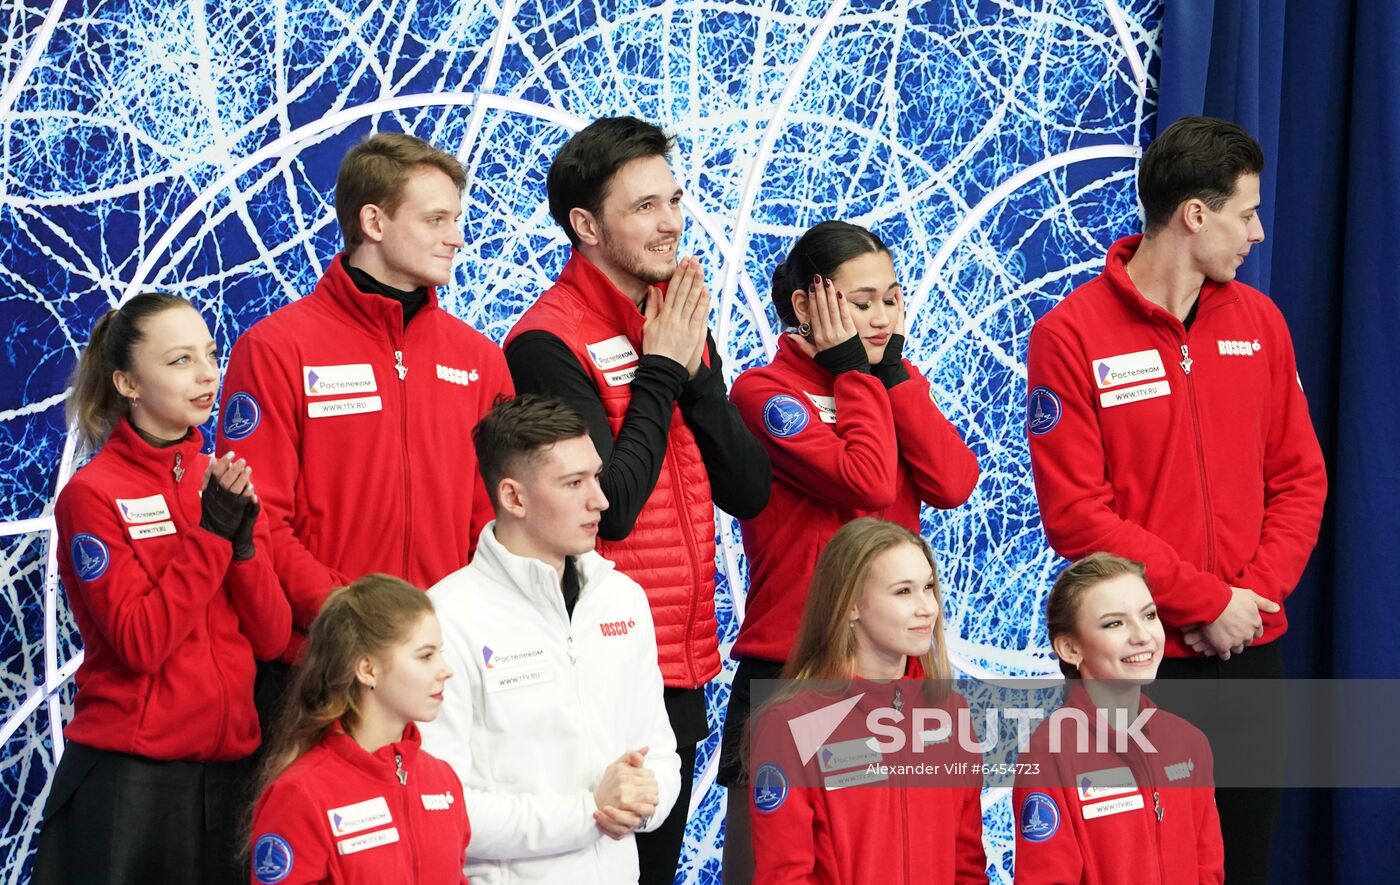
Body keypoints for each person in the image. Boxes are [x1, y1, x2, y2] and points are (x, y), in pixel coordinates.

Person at [1025, 115, 1326, 882]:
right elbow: (1076, 514)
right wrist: (1203, 601)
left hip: (1252, 648)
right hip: (1139, 662)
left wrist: (1250, 599)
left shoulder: (1261, 323)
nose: (1257, 233)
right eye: (1246, 213)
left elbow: (1301, 478)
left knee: (1243, 865)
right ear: (1195, 214)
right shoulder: (1070, 335)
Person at [503, 115, 770, 879]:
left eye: (674, 200)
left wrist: (692, 370)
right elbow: (607, 509)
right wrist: (660, 371)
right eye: (645, 207)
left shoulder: (675, 321)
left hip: (680, 667)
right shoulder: (546, 342)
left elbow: (747, 489)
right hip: (596, 673)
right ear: (586, 226)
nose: (671, 222)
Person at [722, 221, 980, 878]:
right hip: (791, 666)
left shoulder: (889, 381)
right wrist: (852, 374)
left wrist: (889, 375)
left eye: (891, 299)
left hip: (889, 671)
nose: (882, 317)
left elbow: (954, 482)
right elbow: (865, 480)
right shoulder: (763, 392)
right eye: (861, 302)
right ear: (805, 305)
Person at [216, 131, 514, 668]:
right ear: (374, 222)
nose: (457, 238)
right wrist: (353, 618)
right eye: (435, 220)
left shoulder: (479, 359)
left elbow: (494, 517)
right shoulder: (275, 350)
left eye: (456, 219)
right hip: (324, 661)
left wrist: (459, 625)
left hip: (447, 658)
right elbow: (259, 519)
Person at [34, 293, 290, 885]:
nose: (207, 374)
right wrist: (211, 536)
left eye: (210, 355)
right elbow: (140, 643)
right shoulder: (92, 495)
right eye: (180, 360)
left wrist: (243, 549)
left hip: (229, 777)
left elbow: (274, 637)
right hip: (131, 784)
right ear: (127, 383)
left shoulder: (220, 477)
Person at [420, 394, 681, 883]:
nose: (600, 500)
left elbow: (660, 753)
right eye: (574, 483)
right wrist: (589, 812)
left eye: (596, 477)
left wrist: (645, 804)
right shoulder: (445, 618)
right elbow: (442, 805)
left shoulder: (622, 599)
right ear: (514, 498)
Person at [746, 518, 987, 884]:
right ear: (852, 605)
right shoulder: (790, 723)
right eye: (903, 592)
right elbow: (784, 875)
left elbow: (966, 864)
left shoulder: (950, 712)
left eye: (928, 587)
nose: (927, 607)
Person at [1013, 553, 1223, 884]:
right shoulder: (1050, 754)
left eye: (1149, 615)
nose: (1141, 636)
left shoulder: (1189, 743)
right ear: (1070, 649)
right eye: (1114, 623)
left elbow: (1207, 871)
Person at [247, 574, 468, 884]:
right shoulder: (300, 795)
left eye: (440, 653)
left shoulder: (442, 781)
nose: (446, 670)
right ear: (368, 669)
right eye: (426, 656)